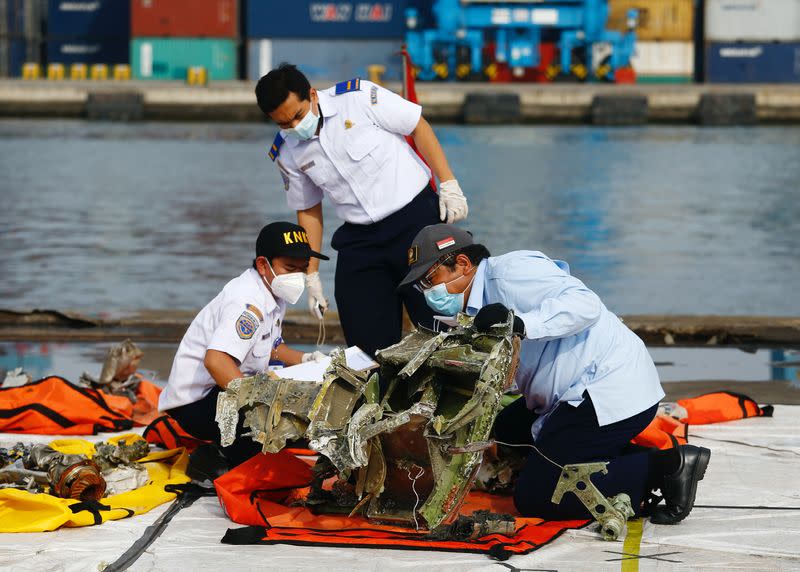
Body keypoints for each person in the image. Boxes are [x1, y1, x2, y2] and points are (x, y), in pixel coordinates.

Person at [398, 224, 711, 525]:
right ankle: (605, 458)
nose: (428, 291)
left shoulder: (511, 272)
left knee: (538, 496)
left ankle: (668, 466)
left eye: (430, 279)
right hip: (566, 394)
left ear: (462, 264)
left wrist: (519, 323)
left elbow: (585, 305)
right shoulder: (468, 309)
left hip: (606, 389)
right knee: (501, 432)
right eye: (422, 285)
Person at [255, 63, 468, 357]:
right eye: (283, 124)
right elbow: (308, 209)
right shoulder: (287, 151)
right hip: (360, 239)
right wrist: (311, 274)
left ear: (313, 95)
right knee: (365, 342)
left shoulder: (358, 98)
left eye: (297, 116)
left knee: (443, 327)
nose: (293, 127)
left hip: (416, 222)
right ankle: (381, 397)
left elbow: (417, 126)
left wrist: (448, 183)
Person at [158, 221, 329, 467]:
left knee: (296, 414)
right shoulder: (247, 303)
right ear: (263, 264)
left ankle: (235, 449)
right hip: (197, 403)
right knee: (277, 426)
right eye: (290, 267)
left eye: (302, 269)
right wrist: (260, 406)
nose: (298, 278)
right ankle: (225, 457)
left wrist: (307, 360)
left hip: (222, 389)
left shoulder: (272, 292)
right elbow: (216, 360)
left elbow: (270, 348)